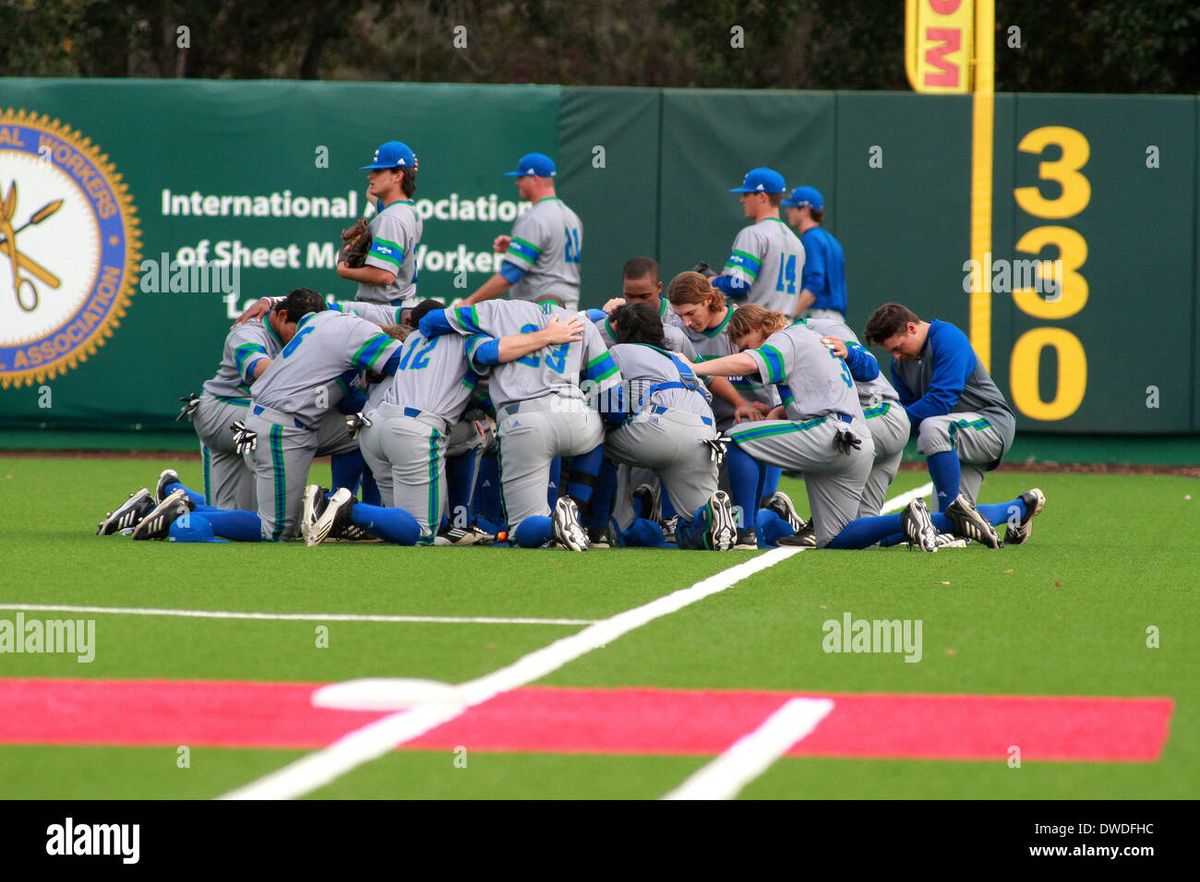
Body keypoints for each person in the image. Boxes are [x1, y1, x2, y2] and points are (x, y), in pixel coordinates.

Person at [313, 299, 586, 546]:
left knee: (400, 523)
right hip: (413, 430)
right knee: (420, 532)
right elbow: (490, 354)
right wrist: (547, 336)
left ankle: (329, 504)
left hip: (375, 427)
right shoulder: (471, 337)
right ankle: (346, 507)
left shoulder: (416, 338)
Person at [420, 297, 621, 550]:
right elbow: (612, 395)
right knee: (599, 428)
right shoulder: (580, 322)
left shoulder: (497, 310)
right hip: (572, 413)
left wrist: (468, 325)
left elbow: (428, 322)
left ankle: (554, 524)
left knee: (523, 529)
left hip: (522, 419)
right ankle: (579, 513)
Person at [688, 305, 873, 549]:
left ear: (755, 327)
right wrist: (776, 412)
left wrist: (694, 367)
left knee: (738, 438)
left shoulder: (785, 337)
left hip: (829, 431)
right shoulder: (805, 338)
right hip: (858, 440)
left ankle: (745, 530)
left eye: (745, 344)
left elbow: (750, 363)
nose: (748, 350)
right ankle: (908, 521)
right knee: (835, 538)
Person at [593, 302, 736, 550]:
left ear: (619, 330)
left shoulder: (619, 351)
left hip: (660, 427)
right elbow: (708, 395)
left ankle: (600, 526)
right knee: (694, 531)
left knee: (593, 433)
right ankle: (709, 515)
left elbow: (606, 401)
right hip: (705, 433)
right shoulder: (678, 358)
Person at [179, 287, 328, 511]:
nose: (301, 339)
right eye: (297, 331)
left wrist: (268, 298)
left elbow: (293, 303)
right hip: (222, 411)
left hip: (243, 413)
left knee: (231, 516)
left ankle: (165, 496)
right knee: (286, 423)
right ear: (283, 316)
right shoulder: (247, 332)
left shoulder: (285, 312)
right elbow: (260, 369)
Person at [462, 153, 583, 310]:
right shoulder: (571, 216)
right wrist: (515, 246)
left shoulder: (535, 217)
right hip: (569, 308)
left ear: (534, 179)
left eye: (520, 177)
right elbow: (552, 255)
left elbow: (509, 275)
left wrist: (470, 301)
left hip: (541, 311)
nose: (516, 182)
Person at [336, 140, 423, 312]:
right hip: (396, 308)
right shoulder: (407, 209)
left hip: (383, 312)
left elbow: (384, 275)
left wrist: (344, 271)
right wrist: (409, 170)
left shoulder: (391, 218)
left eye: (378, 170)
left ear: (398, 176)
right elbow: (370, 192)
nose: (370, 176)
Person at [711, 167, 806, 317]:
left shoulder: (753, 234)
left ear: (762, 196)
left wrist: (711, 283)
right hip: (787, 328)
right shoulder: (796, 242)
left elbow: (737, 284)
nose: (742, 199)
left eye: (746, 194)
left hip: (757, 327)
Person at [783, 186, 847, 321]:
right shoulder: (830, 240)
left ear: (805, 210)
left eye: (792, 207)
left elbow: (815, 284)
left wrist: (790, 316)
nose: (787, 210)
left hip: (816, 316)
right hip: (833, 317)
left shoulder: (810, 239)